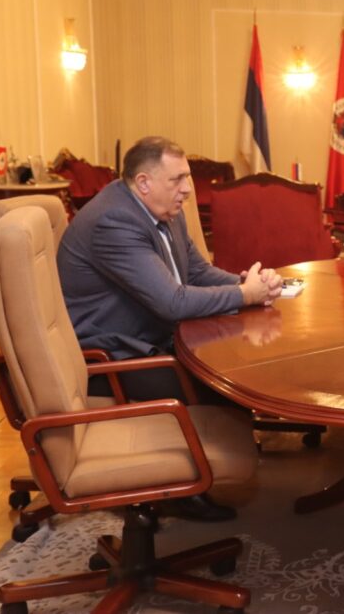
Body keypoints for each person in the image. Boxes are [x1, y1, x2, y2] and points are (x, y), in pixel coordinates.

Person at [57, 136, 282, 520]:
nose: (188, 189)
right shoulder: (114, 222)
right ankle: (180, 488)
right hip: (111, 360)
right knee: (224, 384)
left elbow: (196, 271)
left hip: (149, 339)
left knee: (233, 364)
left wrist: (246, 284)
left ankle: (196, 472)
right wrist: (244, 295)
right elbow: (172, 302)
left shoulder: (160, 209)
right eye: (177, 179)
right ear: (144, 182)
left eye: (187, 177)